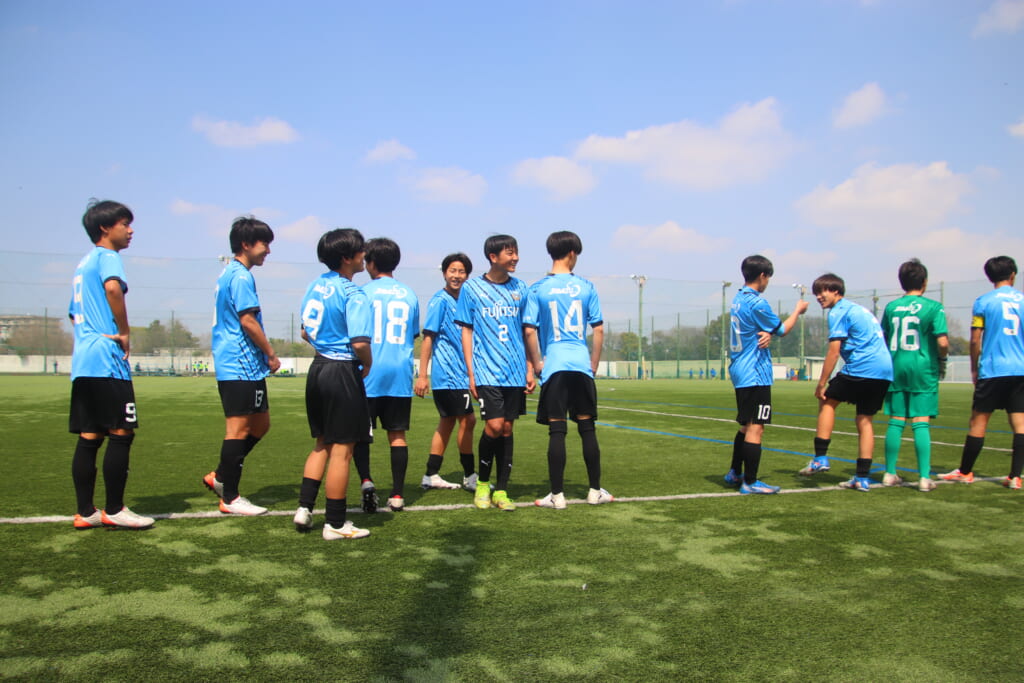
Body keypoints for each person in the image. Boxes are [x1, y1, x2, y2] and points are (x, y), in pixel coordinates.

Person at [67, 199, 154, 530]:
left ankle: (85, 512)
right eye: (124, 224)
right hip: (106, 358)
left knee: (90, 435)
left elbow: (73, 314)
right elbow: (114, 289)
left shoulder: (83, 264)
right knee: (121, 431)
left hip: (83, 361)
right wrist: (124, 331)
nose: (130, 231)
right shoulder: (107, 257)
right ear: (105, 228)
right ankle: (115, 509)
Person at [293, 228, 373, 539]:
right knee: (342, 450)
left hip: (318, 368)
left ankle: (304, 509)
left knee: (321, 443)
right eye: (360, 250)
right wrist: (367, 363)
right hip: (341, 371)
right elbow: (359, 342)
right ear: (347, 257)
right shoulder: (353, 293)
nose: (364, 255)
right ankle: (336, 524)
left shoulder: (315, 285)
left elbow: (304, 331)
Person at [524, 230, 611, 509]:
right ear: (572, 253)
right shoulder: (586, 286)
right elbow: (598, 329)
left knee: (557, 430)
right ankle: (595, 491)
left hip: (555, 365)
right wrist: (593, 364)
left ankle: (557, 495)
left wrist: (537, 363)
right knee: (587, 428)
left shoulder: (537, 288)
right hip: (580, 365)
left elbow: (529, 330)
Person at [204, 216, 280, 515]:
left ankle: (221, 476)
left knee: (261, 423)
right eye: (264, 244)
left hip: (247, 365)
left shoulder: (234, 273)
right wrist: (271, 353)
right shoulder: (239, 276)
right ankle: (230, 498)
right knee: (237, 429)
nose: (268, 251)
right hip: (238, 362)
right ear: (246, 244)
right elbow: (247, 320)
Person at [455, 234, 535, 511]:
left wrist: (529, 367)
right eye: (510, 253)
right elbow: (466, 330)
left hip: (515, 371)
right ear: (493, 256)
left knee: (508, 428)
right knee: (495, 426)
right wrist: (471, 372)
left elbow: (527, 331)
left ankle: (501, 490)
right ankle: (482, 484)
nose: (516, 258)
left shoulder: (521, 288)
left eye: (516, 252)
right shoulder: (472, 288)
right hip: (486, 370)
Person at [800, 273, 893, 491]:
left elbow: (834, 351)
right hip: (884, 370)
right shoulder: (859, 309)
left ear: (836, 291)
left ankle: (820, 458)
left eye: (822, 292)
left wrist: (821, 383)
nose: (819, 297)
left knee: (827, 400)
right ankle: (862, 477)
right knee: (865, 420)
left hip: (862, 366)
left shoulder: (838, 311)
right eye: (816, 293)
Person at [725, 255, 808, 495]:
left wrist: (766, 333)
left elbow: (755, 328)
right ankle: (750, 482)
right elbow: (782, 329)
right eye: (768, 277)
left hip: (740, 368)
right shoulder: (757, 302)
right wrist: (797, 311)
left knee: (745, 426)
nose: (768, 282)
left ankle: (735, 472)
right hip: (755, 372)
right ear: (763, 276)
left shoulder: (738, 299)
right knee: (756, 427)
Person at [940, 256, 1024, 488]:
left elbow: (975, 339)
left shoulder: (983, 302)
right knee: (1020, 423)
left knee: (978, 422)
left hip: (993, 369)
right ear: (1013, 275)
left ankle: (965, 472)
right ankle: (1015, 476)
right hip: (1020, 370)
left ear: (989, 277)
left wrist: (974, 368)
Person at [352, 237, 420, 513]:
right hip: (399, 374)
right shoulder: (410, 294)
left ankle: (367, 482)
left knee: (361, 435)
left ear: (370, 262)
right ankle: (398, 494)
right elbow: (412, 334)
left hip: (367, 373)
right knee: (398, 435)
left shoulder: (361, 293)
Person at [881, 259, 949, 492]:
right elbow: (942, 342)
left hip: (896, 366)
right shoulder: (934, 307)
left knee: (896, 420)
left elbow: (884, 337)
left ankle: (889, 473)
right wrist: (942, 360)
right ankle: (924, 478)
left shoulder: (891, 307)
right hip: (923, 368)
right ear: (924, 281)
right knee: (921, 422)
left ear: (902, 282)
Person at [413, 253, 477, 492]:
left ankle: (431, 473)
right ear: (444, 273)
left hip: (461, 374)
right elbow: (428, 337)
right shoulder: (440, 300)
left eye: (461, 271)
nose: (456, 276)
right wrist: (422, 375)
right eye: (452, 271)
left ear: (467, 275)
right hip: (449, 375)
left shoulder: (467, 300)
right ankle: (470, 475)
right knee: (468, 420)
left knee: (448, 422)